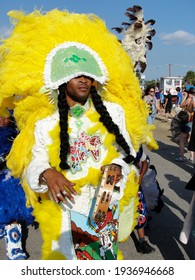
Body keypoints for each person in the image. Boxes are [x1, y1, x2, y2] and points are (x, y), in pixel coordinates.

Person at [0, 9, 158, 260]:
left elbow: (127, 153)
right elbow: (35, 159)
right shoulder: (45, 123)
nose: (84, 80)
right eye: (76, 75)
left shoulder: (113, 113)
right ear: (62, 81)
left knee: (101, 265)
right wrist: (46, 172)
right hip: (64, 209)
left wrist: (116, 168)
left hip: (104, 201)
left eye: (88, 75)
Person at [0, 108, 34, 260]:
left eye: (5, 116)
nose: (2, 120)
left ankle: (14, 244)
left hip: (10, 177)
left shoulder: (16, 133)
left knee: (11, 201)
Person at [130, 146, 155, 254]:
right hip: (118, 185)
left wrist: (140, 176)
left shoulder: (137, 146)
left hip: (134, 184)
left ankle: (141, 242)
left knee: (140, 210)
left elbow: (145, 162)